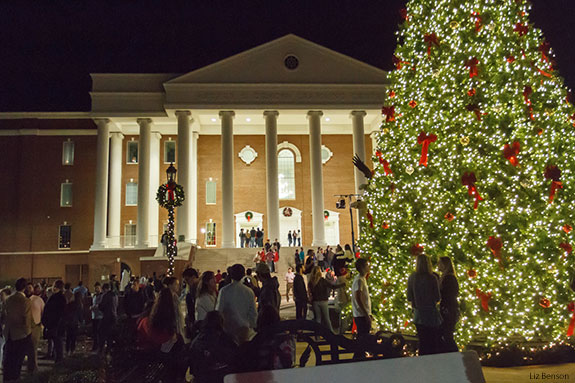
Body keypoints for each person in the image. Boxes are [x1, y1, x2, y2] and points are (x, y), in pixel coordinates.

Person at [189, 311, 238, 383]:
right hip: (220, 377)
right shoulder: (225, 339)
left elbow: (193, 367)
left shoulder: (197, 341)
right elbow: (234, 359)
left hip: (201, 378)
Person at [407, 254, 442, 355]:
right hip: (431, 314)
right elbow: (437, 297)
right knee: (432, 341)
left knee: (423, 341)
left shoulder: (412, 277)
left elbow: (409, 297)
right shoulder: (432, 278)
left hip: (418, 314)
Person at [215, 264, 257, 344]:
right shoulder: (249, 291)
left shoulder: (224, 291)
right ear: (243, 275)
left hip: (228, 332)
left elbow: (218, 311)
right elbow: (253, 314)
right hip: (245, 332)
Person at [3, 278, 34, 381]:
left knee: (9, 359)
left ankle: (7, 378)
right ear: (25, 288)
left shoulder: (8, 299)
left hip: (9, 333)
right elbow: (27, 320)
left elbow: (4, 315)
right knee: (18, 360)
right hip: (21, 334)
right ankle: (15, 378)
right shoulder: (26, 301)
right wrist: (28, 333)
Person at [308, 266, 343, 333]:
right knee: (327, 318)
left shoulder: (311, 282)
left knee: (318, 319)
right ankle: (331, 332)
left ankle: (317, 334)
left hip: (315, 301)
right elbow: (332, 286)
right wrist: (342, 285)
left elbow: (310, 292)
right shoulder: (322, 280)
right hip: (323, 301)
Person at [438, 256, 459, 352]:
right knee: (447, 334)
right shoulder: (450, 277)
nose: (438, 265)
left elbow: (447, 294)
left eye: (440, 263)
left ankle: (454, 354)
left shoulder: (448, 278)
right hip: (450, 308)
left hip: (448, 309)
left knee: (447, 334)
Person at [352, 258, 372, 356]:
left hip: (362, 314)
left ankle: (359, 355)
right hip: (361, 315)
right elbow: (358, 297)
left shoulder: (361, 279)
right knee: (363, 338)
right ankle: (358, 357)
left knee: (363, 338)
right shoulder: (359, 280)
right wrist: (366, 314)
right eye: (367, 265)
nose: (369, 267)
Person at [42, 280, 66, 362]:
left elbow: (59, 313)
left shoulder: (59, 298)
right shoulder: (55, 297)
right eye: (54, 286)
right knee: (56, 342)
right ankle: (57, 358)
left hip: (55, 324)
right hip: (53, 323)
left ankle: (59, 360)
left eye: (56, 287)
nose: (54, 288)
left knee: (57, 342)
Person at [27, 284, 45, 371]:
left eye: (30, 287)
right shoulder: (23, 300)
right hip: (23, 327)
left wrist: (41, 324)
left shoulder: (38, 300)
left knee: (33, 347)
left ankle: (33, 366)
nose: (28, 289)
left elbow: (43, 312)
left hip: (35, 326)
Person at [98, 283, 118, 354]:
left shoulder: (106, 296)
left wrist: (98, 306)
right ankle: (108, 349)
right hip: (114, 317)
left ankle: (101, 349)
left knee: (102, 333)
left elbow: (102, 306)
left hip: (107, 317)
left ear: (105, 289)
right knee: (110, 335)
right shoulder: (115, 295)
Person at [64, 291, 83, 356]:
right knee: (73, 338)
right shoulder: (79, 305)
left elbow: (66, 312)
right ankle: (72, 350)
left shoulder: (70, 304)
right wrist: (81, 321)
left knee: (68, 337)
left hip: (69, 322)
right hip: (75, 323)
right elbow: (80, 315)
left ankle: (67, 350)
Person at [182, 267, 200, 338]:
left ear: (193, 277)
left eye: (187, 280)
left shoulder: (199, 289)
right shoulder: (192, 289)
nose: (187, 283)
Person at [334, 269, 351, 334]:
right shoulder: (345, 281)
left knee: (340, 316)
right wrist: (349, 298)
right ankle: (343, 330)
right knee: (344, 317)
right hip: (344, 300)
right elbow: (347, 291)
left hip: (339, 299)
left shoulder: (337, 280)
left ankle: (340, 330)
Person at [0, 287, 12, 370]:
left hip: (5, 329)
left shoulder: (8, 305)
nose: (0, 296)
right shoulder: (2, 305)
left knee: (2, 347)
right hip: (2, 329)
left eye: (2, 295)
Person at [90, 282, 103, 351]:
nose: (96, 289)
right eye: (95, 288)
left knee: (98, 332)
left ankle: (98, 347)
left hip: (99, 316)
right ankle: (95, 346)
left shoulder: (101, 296)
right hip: (94, 316)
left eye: (97, 288)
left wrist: (93, 307)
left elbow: (99, 305)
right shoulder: (94, 296)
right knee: (94, 333)